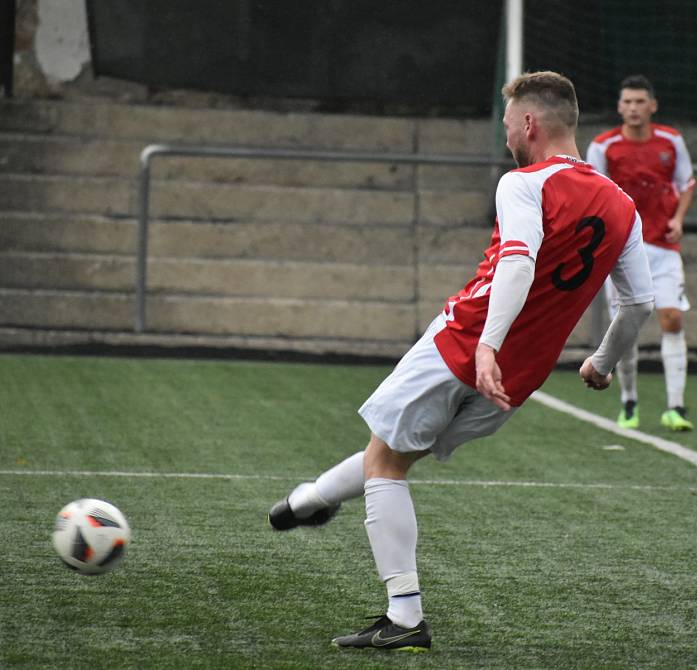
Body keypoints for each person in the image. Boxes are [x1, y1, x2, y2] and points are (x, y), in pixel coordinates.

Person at [268, 71, 655, 652]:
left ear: (529, 123)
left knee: (385, 465)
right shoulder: (623, 205)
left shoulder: (524, 183)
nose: (506, 138)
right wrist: (601, 362)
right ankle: (308, 502)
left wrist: (486, 345)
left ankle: (403, 618)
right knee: (395, 451)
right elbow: (640, 303)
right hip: (517, 381)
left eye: (507, 125)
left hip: (466, 344)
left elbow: (517, 264)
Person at [586, 75, 696, 431]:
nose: (633, 108)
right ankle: (629, 401)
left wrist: (678, 219)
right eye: (627, 102)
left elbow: (687, 183)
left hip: (663, 247)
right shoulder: (603, 146)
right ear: (620, 107)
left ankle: (676, 407)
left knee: (673, 319)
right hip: (623, 250)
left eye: (640, 101)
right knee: (627, 330)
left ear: (652, 105)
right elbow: (595, 193)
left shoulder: (671, 140)